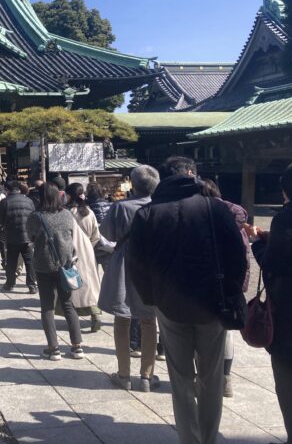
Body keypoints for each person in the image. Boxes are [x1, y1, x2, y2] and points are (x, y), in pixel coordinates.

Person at [128, 156, 247, 444]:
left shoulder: (147, 215)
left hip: (169, 305)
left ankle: (189, 439)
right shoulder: (214, 209)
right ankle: (208, 437)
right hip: (212, 303)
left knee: (180, 380)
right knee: (211, 377)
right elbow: (238, 257)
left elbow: (136, 265)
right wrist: (232, 293)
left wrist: (151, 298)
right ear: (191, 174)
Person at [250, 161, 292, 444]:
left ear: (288, 188)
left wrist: (258, 243)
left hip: (288, 310)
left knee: (287, 375)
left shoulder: (286, 218)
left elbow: (272, 263)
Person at [98, 164, 161, 392]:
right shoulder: (159, 206)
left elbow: (107, 234)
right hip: (151, 264)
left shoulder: (120, 207)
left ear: (133, 184)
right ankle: (147, 375)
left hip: (125, 261)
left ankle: (124, 374)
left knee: (122, 318)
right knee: (148, 320)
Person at [201, 178, 252, 398]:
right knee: (227, 332)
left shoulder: (204, 219)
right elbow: (244, 255)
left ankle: (204, 379)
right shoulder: (236, 219)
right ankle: (225, 379)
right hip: (233, 283)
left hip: (209, 283)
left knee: (204, 332)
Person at [26, 182, 84, 360]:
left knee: (47, 307)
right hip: (65, 265)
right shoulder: (67, 214)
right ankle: (77, 346)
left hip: (44, 265)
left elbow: (31, 236)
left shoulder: (36, 216)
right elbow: (71, 234)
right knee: (68, 305)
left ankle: (53, 348)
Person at [65, 182, 103, 333]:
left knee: (72, 283)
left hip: (71, 250)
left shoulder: (67, 213)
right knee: (91, 284)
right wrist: (89, 246)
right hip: (88, 250)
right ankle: (95, 314)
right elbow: (96, 235)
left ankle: (72, 315)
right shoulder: (89, 212)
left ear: (69, 195)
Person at [0, 180, 37, 294]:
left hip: (12, 236)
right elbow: (34, 216)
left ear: (7, 190)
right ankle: (32, 285)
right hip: (28, 236)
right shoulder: (29, 201)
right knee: (30, 262)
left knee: (12, 261)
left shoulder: (5, 201)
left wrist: (5, 223)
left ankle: (10, 284)